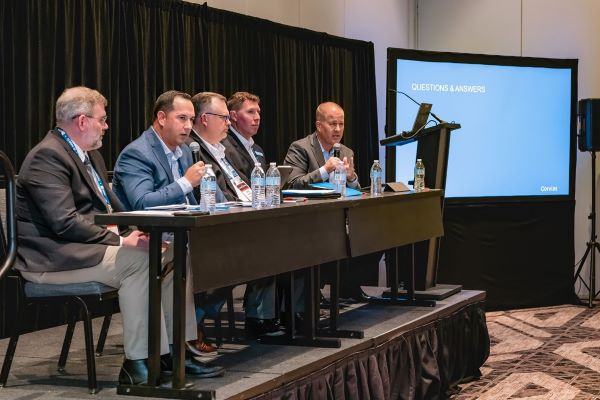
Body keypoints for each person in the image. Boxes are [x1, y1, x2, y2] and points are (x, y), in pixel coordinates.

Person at [14, 86, 223, 386]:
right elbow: (64, 223)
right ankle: (139, 361)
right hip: (52, 261)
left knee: (173, 249)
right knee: (140, 260)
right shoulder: (47, 157)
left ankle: (177, 351)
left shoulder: (89, 155)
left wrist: (136, 230)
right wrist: (124, 240)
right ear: (82, 121)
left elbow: (115, 207)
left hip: (85, 250)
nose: (106, 125)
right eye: (102, 119)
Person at [112, 90, 226, 354]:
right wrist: (185, 182)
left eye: (191, 119)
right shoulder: (137, 153)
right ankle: (183, 345)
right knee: (188, 256)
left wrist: (211, 188)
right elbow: (142, 202)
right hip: (150, 237)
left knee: (236, 248)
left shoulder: (187, 152)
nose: (188, 126)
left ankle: (186, 339)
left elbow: (205, 196)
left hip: (183, 232)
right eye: (182, 118)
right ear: (162, 117)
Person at [188, 91, 284, 338]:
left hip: (234, 216)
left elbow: (239, 185)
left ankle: (269, 315)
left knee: (280, 241)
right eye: (224, 117)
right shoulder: (194, 149)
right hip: (206, 225)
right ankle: (193, 324)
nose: (228, 124)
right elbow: (210, 192)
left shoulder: (218, 147)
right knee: (242, 254)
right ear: (206, 119)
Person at [284, 101, 378, 301]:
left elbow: (355, 191)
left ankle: (348, 285)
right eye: (332, 124)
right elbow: (292, 184)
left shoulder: (346, 152)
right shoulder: (300, 148)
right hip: (309, 219)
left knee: (375, 235)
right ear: (319, 126)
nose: (338, 129)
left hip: (339, 215)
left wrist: (352, 177)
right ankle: (313, 291)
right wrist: (324, 170)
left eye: (341, 124)